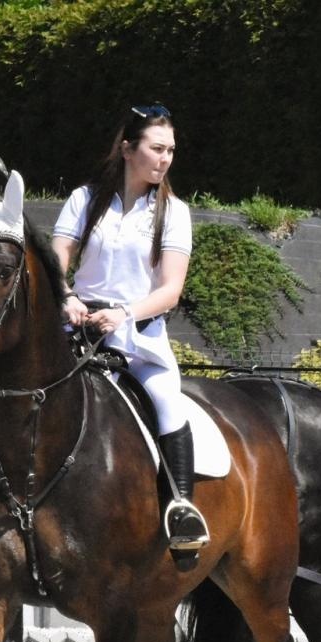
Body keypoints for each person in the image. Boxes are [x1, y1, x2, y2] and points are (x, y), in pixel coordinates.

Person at [50, 104, 207, 553]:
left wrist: (123, 314)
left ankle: (182, 508)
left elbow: (171, 290)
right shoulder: (84, 199)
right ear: (126, 149)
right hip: (75, 328)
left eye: (171, 151)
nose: (165, 159)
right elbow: (56, 260)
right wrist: (66, 297)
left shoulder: (174, 212)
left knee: (166, 400)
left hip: (138, 337)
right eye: (156, 149)